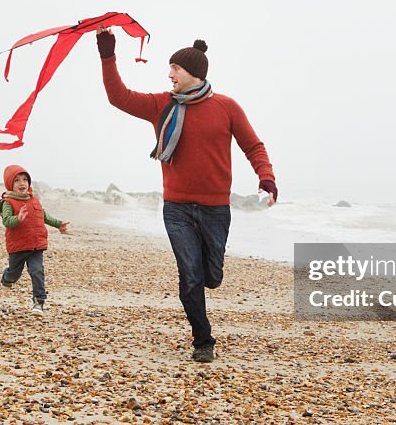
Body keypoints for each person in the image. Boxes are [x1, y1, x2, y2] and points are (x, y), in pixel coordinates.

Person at [95, 27, 277, 363]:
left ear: (192, 72)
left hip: (215, 210)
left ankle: (211, 278)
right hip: (176, 207)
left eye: (174, 69)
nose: (169, 75)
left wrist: (265, 176)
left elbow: (253, 145)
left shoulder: (227, 107)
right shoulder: (160, 105)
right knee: (190, 273)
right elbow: (118, 96)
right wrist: (108, 54)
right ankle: (202, 340)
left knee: (211, 275)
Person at [0, 165, 70, 314]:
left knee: (37, 271)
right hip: (18, 246)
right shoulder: (8, 202)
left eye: (25, 180)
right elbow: (6, 221)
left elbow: (44, 216)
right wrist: (17, 218)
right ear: (10, 184)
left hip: (36, 245)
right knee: (14, 273)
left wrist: (58, 224)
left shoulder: (34, 200)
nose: (22, 183)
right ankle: (7, 279)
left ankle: (39, 302)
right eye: (17, 180)